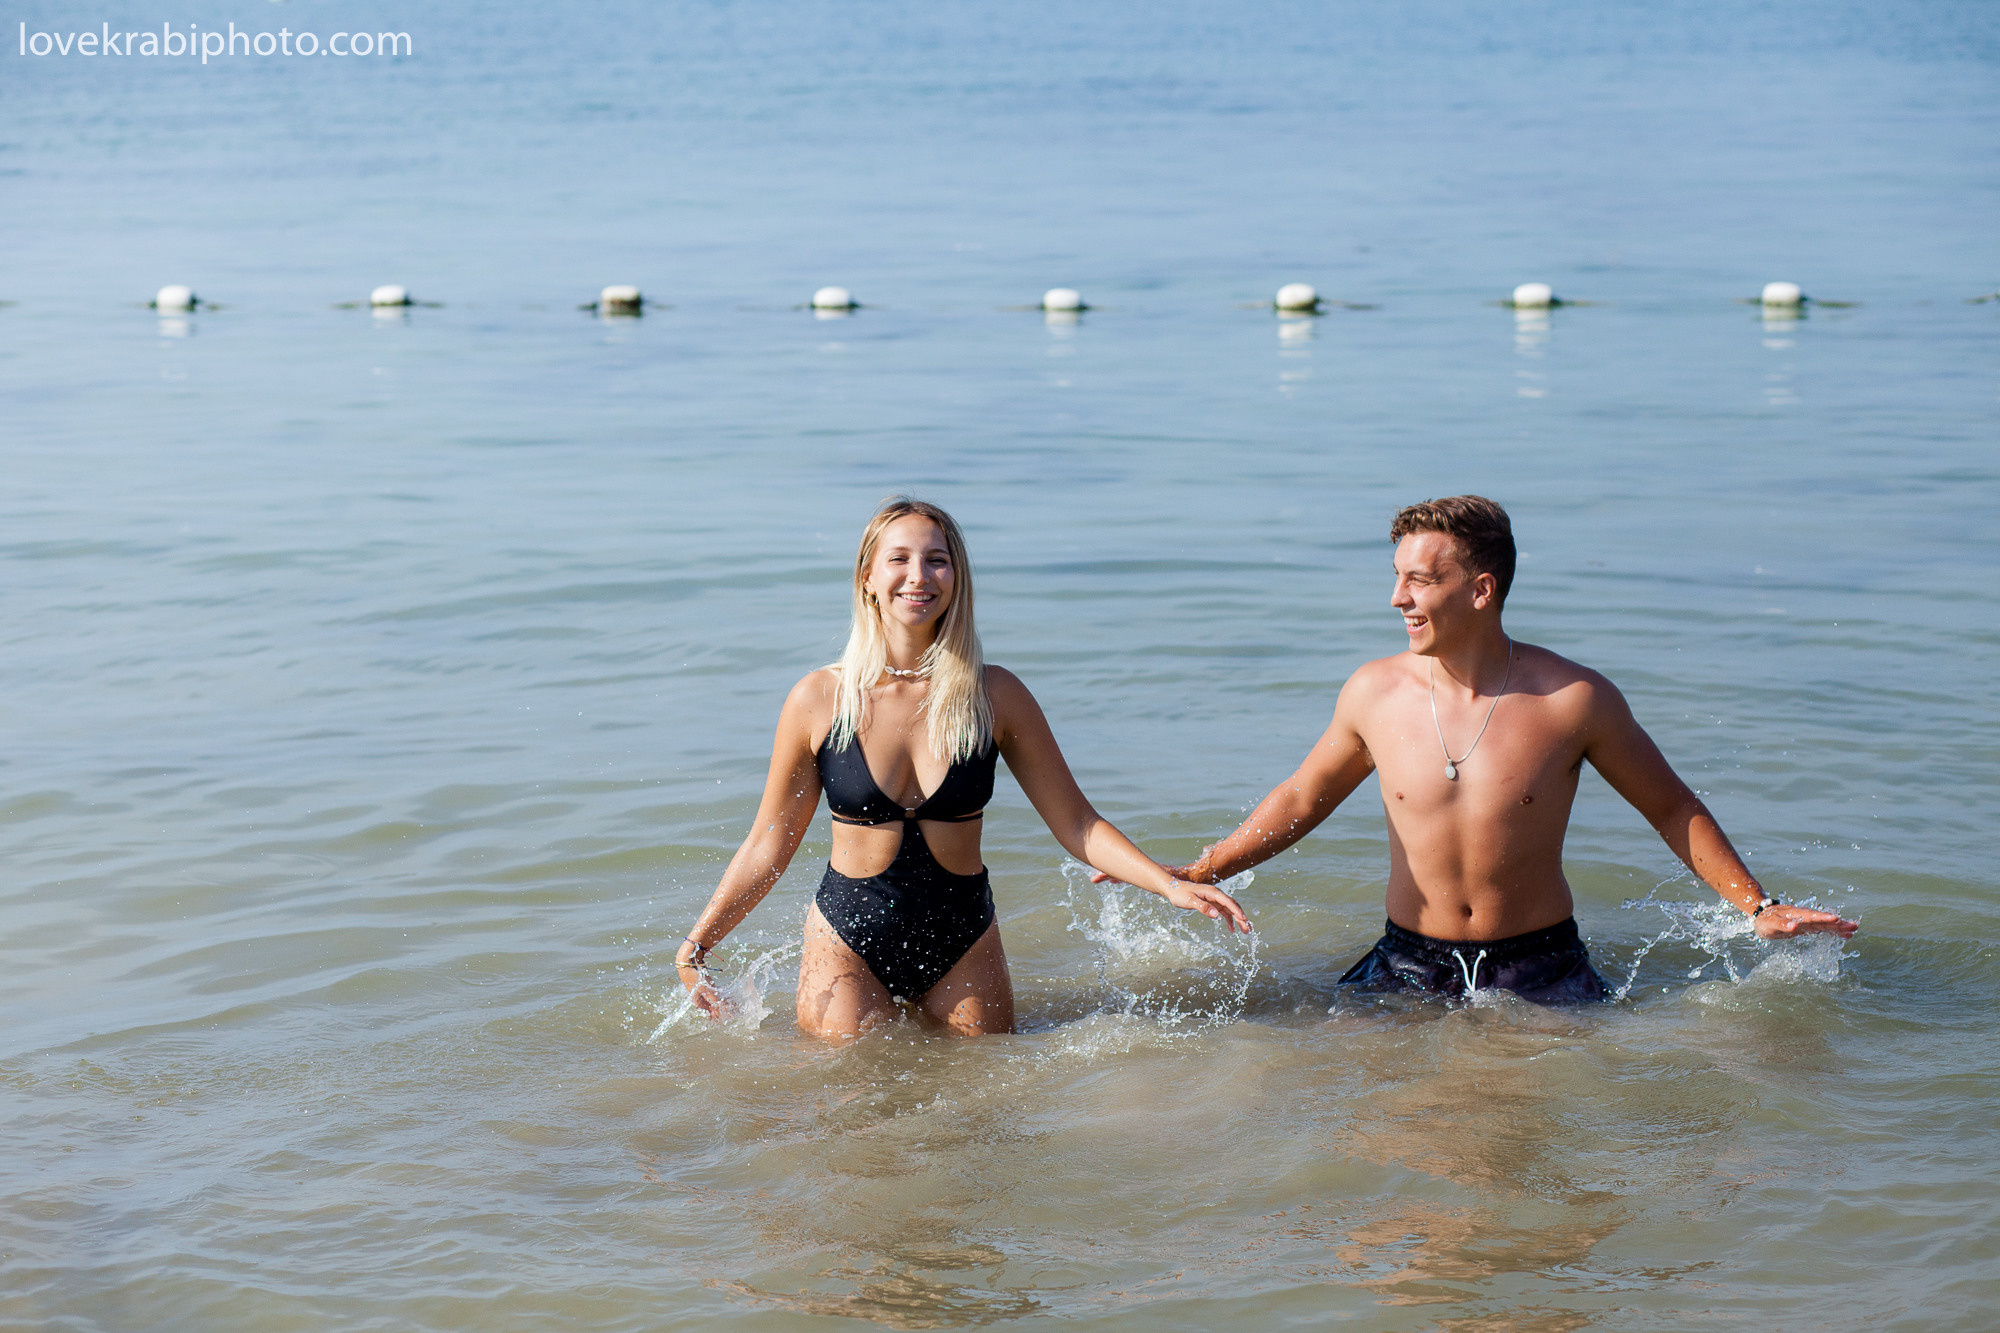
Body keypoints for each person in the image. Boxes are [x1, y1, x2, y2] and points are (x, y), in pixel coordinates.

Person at [1099, 495, 1856, 1003]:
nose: (1397, 597)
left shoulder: (1572, 699)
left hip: (1541, 968)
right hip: (1404, 965)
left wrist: (1758, 905)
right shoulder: (1373, 693)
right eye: (1396, 577)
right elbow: (1301, 798)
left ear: (1481, 589)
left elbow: (1670, 804)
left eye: (1419, 580)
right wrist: (1203, 870)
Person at [676, 497, 1250, 1039]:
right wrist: (698, 945)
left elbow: (1076, 823)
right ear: (868, 579)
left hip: (963, 938)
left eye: (937, 560)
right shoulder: (819, 700)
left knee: (979, 1115)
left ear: (957, 579)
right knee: (844, 1117)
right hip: (846, 937)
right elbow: (769, 842)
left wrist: (1168, 885)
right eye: (898, 559)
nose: (919, 575)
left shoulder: (994, 695)